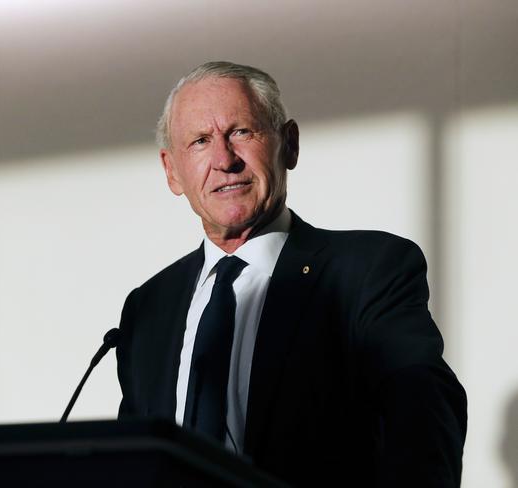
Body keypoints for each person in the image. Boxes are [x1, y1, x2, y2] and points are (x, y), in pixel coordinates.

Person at [115, 61, 467, 487]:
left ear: (289, 144)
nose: (224, 159)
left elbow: (424, 426)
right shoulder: (149, 307)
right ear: (172, 170)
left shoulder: (367, 271)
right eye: (201, 141)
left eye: (242, 132)